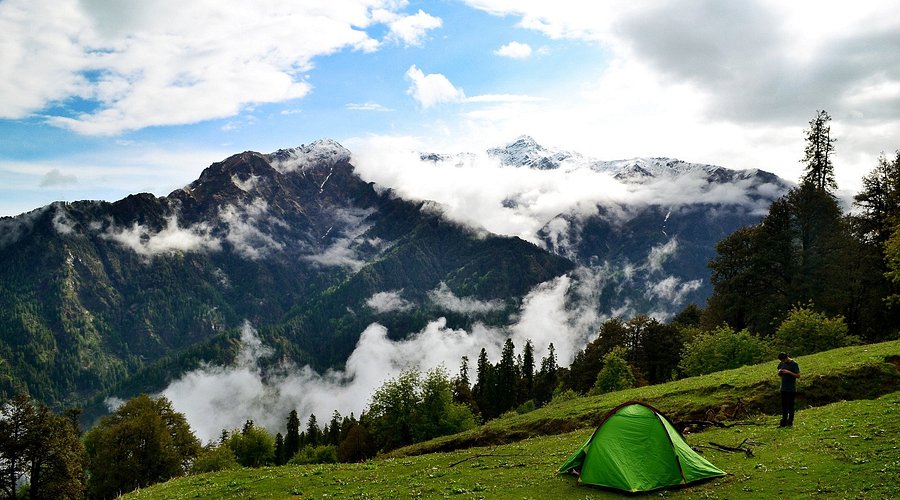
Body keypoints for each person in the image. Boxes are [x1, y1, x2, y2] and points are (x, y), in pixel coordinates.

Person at [777, 352, 800, 427]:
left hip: (791, 389)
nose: (783, 362)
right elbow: (779, 371)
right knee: (784, 406)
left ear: (787, 357)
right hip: (783, 388)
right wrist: (780, 372)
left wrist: (788, 372)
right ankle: (783, 422)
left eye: (783, 360)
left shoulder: (794, 364)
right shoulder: (781, 363)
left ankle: (790, 422)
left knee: (790, 406)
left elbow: (798, 375)